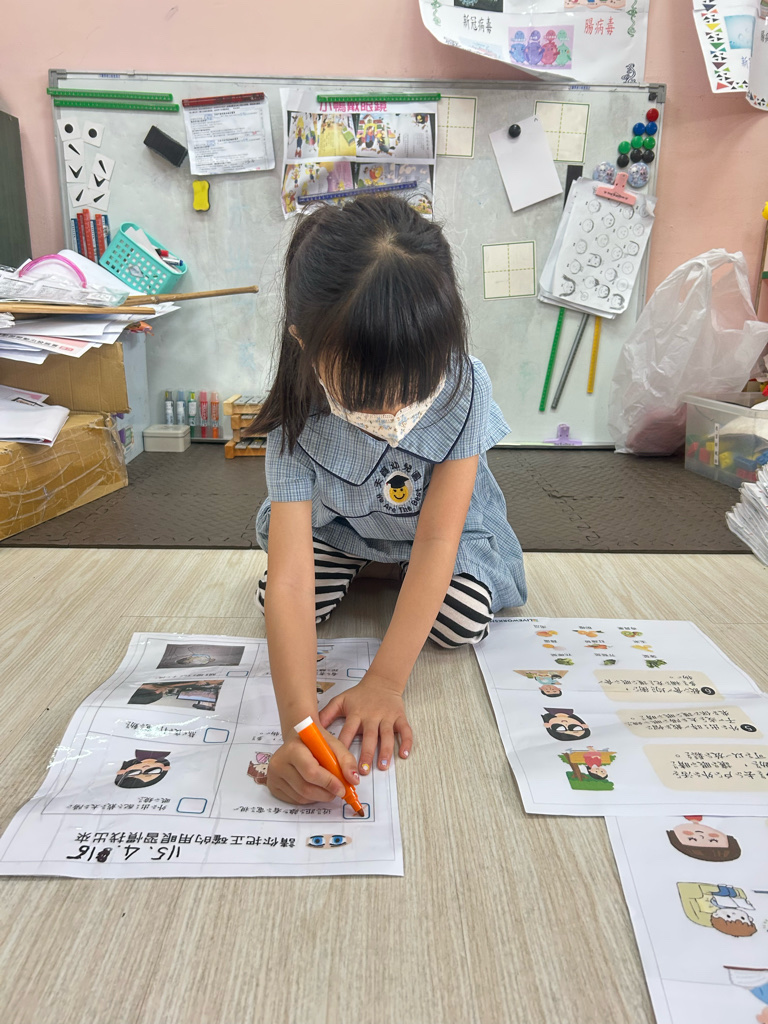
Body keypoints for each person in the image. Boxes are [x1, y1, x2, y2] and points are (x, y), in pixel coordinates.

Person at [247, 194, 526, 806]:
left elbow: (440, 539)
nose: (396, 409)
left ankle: (385, 573)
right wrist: (300, 729)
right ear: (303, 342)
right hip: (343, 530)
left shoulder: (465, 384)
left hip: (436, 534)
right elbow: (290, 579)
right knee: (276, 599)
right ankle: (372, 566)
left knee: (461, 620)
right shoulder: (296, 414)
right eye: (366, 392)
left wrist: (386, 682)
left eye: (414, 385)